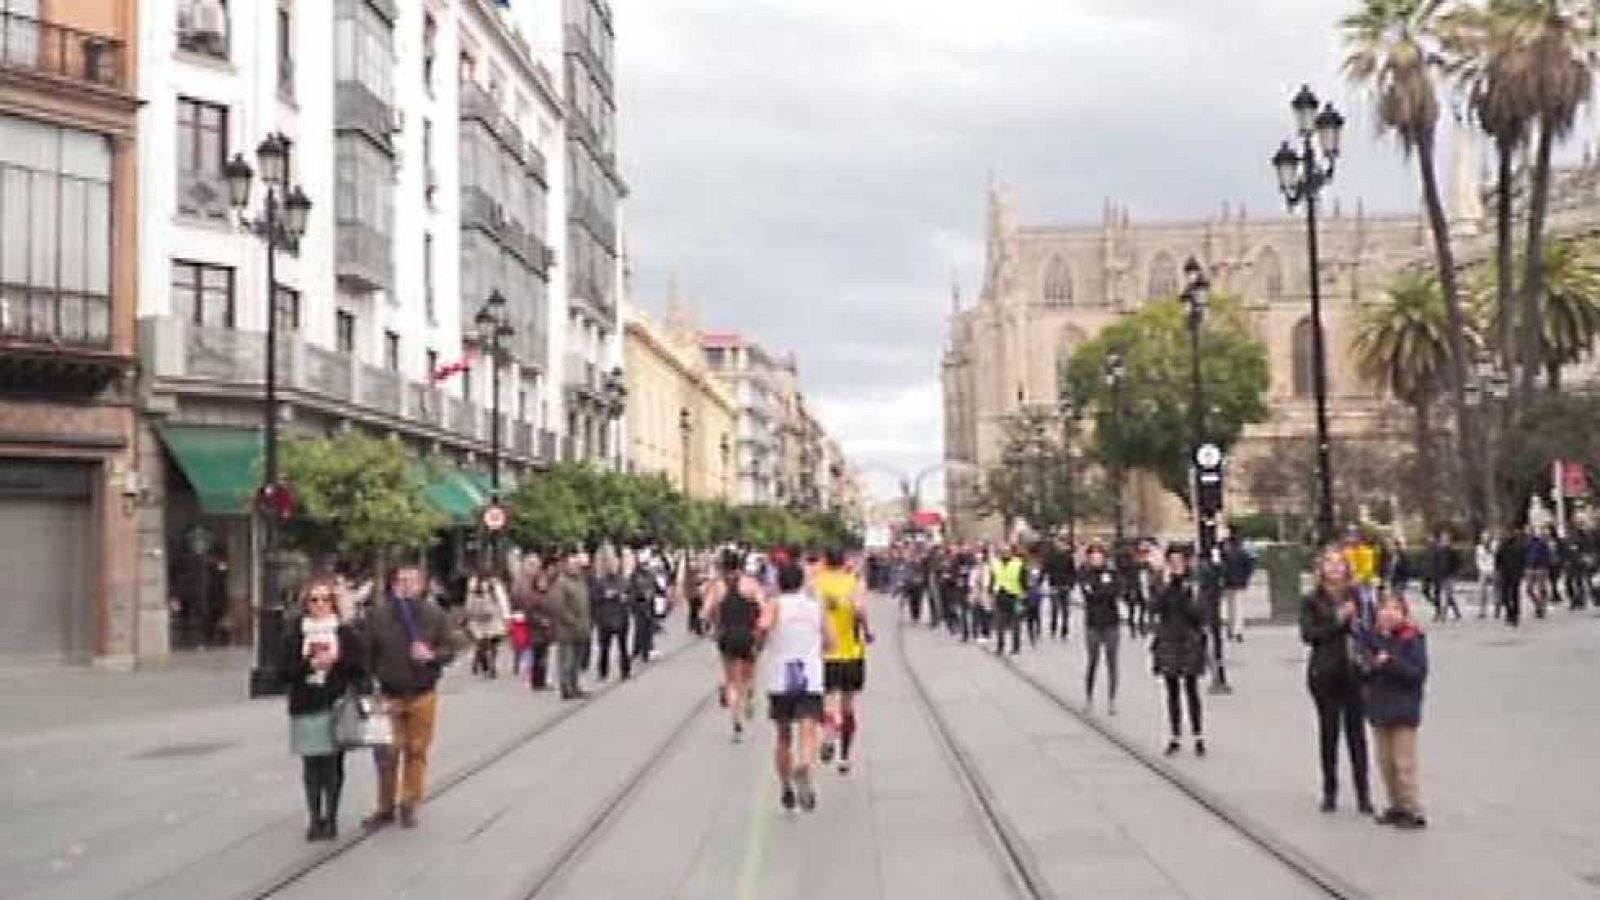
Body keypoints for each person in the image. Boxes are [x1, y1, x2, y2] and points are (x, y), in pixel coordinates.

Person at [363, 563, 455, 830]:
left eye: (412, 581)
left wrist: (433, 656)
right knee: (387, 753)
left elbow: (449, 648)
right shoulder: (377, 616)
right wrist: (370, 688)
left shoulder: (434, 615)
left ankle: (409, 802)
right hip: (389, 693)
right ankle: (385, 805)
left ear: (422, 585)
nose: (406, 586)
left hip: (422, 692)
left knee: (417, 750)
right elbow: (367, 653)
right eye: (401, 581)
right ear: (393, 585)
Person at [281, 576, 365, 841]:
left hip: (335, 704)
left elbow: (359, 668)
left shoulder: (344, 632)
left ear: (334, 603)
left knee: (332, 765)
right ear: (305, 604)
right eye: (314, 600)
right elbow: (283, 672)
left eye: (325, 599)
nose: (320, 605)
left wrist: (337, 661)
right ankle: (314, 818)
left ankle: (331, 817)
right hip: (306, 704)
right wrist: (309, 664)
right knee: (311, 765)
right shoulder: (295, 633)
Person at [1300, 548, 1374, 815]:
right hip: (1325, 672)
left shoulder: (1357, 596)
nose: (1334, 568)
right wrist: (1336, 620)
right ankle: (1330, 790)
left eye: (1339, 563)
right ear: (1321, 569)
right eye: (1329, 563)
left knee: (1357, 735)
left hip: (1354, 671)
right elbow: (1309, 635)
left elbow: (1369, 628)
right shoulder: (1312, 599)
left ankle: (1363, 794)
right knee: (1329, 733)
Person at [760, 557, 832, 812]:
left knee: (782, 735)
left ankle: (785, 787)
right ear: (802, 582)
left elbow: (763, 626)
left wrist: (765, 639)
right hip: (810, 675)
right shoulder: (815, 607)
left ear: (779, 582)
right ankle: (804, 765)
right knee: (809, 728)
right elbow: (830, 640)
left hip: (781, 676)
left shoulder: (775, 604)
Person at [1358, 593, 1429, 829]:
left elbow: (1416, 674)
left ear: (1404, 614)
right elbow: (1363, 668)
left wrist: (1390, 662)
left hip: (1404, 710)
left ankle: (1411, 807)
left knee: (1403, 762)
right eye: (1384, 609)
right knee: (1385, 761)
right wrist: (1370, 666)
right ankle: (1395, 804)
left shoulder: (1412, 639)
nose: (1389, 614)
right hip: (1379, 707)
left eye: (1395, 610)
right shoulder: (1372, 638)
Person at [817, 547, 870, 774]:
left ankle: (829, 734)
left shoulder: (817, 583)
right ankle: (844, 757)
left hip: (826, 653)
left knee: (828, 701)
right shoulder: (855, 583)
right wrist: (867, 630)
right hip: (852, 652)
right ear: (844, 561)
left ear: (826, 561)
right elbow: (860, 610)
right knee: (848, 706)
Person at [703, 548, 764, 741]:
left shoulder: (717, 586)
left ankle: (736, 721)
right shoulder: (751, 584)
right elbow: (763, 607)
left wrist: (711, 625)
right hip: (748, 635)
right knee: (748, 676)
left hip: (727, 635)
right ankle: (749, 697)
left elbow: (704, 612)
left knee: (731, 680)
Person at [1151, 545, 1207, 756]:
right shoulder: (1161, 583)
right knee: (1171, 689)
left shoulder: (1193, 584)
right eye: (1172, 562)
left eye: (1179, 562)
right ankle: (1175, 735)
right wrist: (1165, 586)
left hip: (1189, 639)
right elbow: (1155, 607)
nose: (1175, 566)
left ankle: (1198, 734)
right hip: (1168, 639)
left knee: (1192, 689)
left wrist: (1186, 593)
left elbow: (1199, 614)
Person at [1079, 543, 1122, 715]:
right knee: (1093, 661)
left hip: (1111, 622)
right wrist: (1103, 591)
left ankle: (1112, 700)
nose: (1097, 559)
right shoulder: (1085, 574)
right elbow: (1089, 595)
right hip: (1093, 623)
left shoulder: (1112, 573)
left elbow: (1116, 591)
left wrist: (1101, 591)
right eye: (1093, 556)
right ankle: (1089, 697)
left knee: (1112, 662)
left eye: (1099, 556)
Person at [549, 549, 593, 700]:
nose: (576, 567)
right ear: (566, 566)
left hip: (582, 627)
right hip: (567, 630)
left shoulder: (581, 581)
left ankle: (575, 686)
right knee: (566, 660)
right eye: (572, 564)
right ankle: (566, 688)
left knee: (577, 661)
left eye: (577, 564)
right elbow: (558, 605)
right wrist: (570, 619)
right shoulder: (561, 583)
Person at [590, 545, 632, 682]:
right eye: (610, 564)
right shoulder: (600, 582)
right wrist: (605, 596)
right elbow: (594, 598)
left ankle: (625, 670)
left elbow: (631, 595)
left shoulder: (624, 581)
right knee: (604, 648)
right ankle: (602, 671)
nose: (613, 566)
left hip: (621, 617)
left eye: (615, 564)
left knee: (623, 646)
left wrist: (625, 598)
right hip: (605, 618)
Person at [514, 556, 555, 690]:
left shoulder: (546, 595)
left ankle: (540, 680)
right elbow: (528, 610)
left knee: (542, 655)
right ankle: (535, 680)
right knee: (535, 654)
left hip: (545, 629)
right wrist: (540, 620)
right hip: (534, 628)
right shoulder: (527, 590)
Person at [463, 565, 510, 678]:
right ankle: (491, 664)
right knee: (494, 642)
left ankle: (483, 662)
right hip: (492, 616)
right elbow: (502, 600)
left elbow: (468, 601)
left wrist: (467, 614)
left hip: (476, 617)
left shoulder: (472, 583)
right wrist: (506, 616)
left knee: (481, 641)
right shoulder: (494, 584)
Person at [989, 544, 1025, 656]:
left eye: (1007, 551)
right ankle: (1000, 646)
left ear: (1011, 552)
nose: (1004, 553)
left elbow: (1023, 580)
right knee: (1000, 623)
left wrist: (1024, 595)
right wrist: (990, 592)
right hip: (1000, 595)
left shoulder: (1018, 563)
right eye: (1002, 551)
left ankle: (1016, 647)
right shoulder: (996, 564)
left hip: (1014, 596)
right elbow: (993, 579)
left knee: (1015, 623)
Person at [1219, 533, 1253, 642]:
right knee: (1239, 607)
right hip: (1240, 584)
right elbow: (1249, 568)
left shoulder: (1225, 555)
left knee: (1230, 608)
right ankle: (1238, 631)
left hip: (1228, 584)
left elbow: (1222, 569)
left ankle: (1230, 628)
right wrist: (1246, 579)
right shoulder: (1244, 554)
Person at [1422, 532, 1462, 622]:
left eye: (1446, 539)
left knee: (1446, 595)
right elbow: (1429, 562)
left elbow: (1453, 563)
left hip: (1445, 575)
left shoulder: (1447, 550)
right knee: (1447, 595)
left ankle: (1442, 613)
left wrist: (1454, 574)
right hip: (1436, 574)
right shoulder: (1432, 548)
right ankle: (1453, 612)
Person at [1044, 537, 1076, 639]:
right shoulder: (1050, 555)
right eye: (1056, 543)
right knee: (1054, 608)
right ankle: (1053, 628)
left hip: (1065, 585)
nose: (1058, 545)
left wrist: (1071, 584)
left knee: (1065, 609)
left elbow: (1072, 571)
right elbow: (1046, 568)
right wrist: (1041, 579)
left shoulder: (1068, 556)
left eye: (1060, 543)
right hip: (1054, 584)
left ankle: (1064, 629)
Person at [1495, 526, 1527, 626]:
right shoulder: (1502, 545)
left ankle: (1515, 615)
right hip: (1504, 573)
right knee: (1504, 595)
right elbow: (1498, 558)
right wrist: (1498, 570)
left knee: (1514, 594)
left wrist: (1521, 571)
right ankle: (1510, 612)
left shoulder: (1519, 545)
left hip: (1515, 573)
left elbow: (1523, 559)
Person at [1474, 532, 1498, 619]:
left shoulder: (1494, 545)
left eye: (1487, 538)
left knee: (1496, 590)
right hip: (1483, 570)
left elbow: (1496, 557)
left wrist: (1494, 569)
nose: (1485, 540)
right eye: (1484, 538)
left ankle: (1496, 609)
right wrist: (1482, 569)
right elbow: (1478, 560)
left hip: (1493, 569)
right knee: (1482, 592)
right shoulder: (1479, 548)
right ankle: (1482, 611)